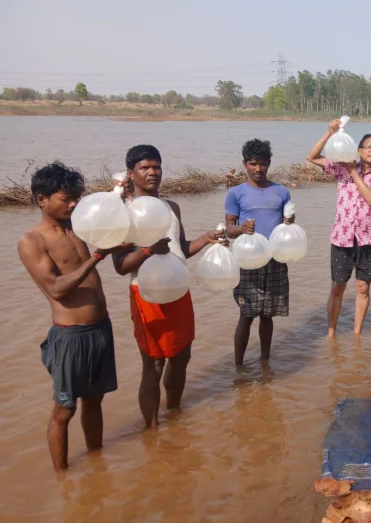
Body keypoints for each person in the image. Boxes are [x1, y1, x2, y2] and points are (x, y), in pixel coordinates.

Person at [113, 145, 225, 427]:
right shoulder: (124, 213)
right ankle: (151, 431)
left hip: (178, 290)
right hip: (146, 293)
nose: (152, 172)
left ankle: (174, 415)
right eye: (144, 168)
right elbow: (120, 265)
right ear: (131, 173)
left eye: (157, 167)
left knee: (181, 355)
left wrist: (207, 238)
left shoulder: (171, 207)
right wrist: (149, 251)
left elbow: (181, 249)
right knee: (153, 363)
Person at [18, 163, 119, 471]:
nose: (74, 204)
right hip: (70, 335)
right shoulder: (32, 241)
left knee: (94, 401)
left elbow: (112, 219)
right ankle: (61, 478)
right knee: (64, 410)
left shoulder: (78, 228)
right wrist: (98, 257)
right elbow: (56, 288)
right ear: (42, 200)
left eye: (77, 197)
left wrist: (120, 194)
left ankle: (96, 468)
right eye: (66, 199)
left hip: (100, 328)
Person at [307, 122, 371, 337]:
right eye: (370, 147)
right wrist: (329, 133)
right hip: (342, 238)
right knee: (338, 287)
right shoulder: (341, 167)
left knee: (363, 288)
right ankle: (331, 332)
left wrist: (353, 171)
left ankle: (356, 334)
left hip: (369, 239)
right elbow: (312, 156)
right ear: (359, 150)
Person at [224, 139, 293, 366]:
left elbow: (288, 226)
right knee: (246, 314)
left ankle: (265, 361)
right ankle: (238, 366)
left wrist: (290, 221)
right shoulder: (236, 194)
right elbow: (229, 229)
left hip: (274, 260)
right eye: (253, 163)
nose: (258, 169)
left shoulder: (281, 192)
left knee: (268, 315)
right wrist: (242, 229)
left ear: (269, 164)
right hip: (248, 261)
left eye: (263, 163)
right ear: (244, 164)